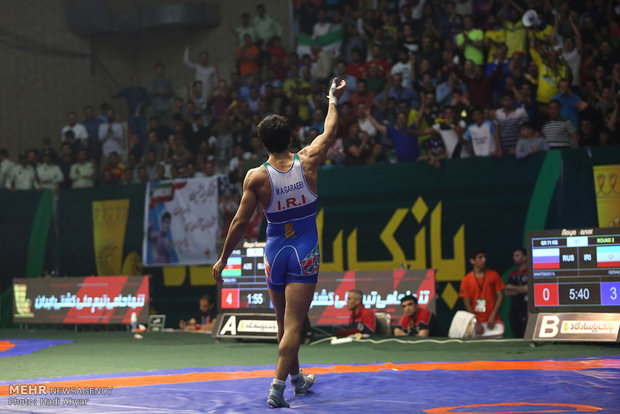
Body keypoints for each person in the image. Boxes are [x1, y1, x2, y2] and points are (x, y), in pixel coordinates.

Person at [212, 77, 346, 408]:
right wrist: (332, 98)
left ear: (263, 143)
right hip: (304, 251)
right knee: (294, 326)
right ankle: (276, 388)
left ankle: (298, 380)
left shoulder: (256, 177)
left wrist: (222, 260)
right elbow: (329, 131)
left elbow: (240, 223)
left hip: (274, 252)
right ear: (290, 138)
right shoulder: (309, 159)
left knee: (281, 323)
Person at [459, 248, 505, 336]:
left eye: (484, 257)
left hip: (493, 321)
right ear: (472, 261)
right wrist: (475, 321)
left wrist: (493, 315)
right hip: (477, 323)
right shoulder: (466, 280)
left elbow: (500, 296)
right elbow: (466, 302)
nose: (484, 260)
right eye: (480, 257)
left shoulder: (493, 275)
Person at [505, 248, 529, 338]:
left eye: (517, 255)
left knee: (526, 335)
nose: (515, 258)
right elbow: (506, 292)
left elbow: (528, 289)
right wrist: (521, 289)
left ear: (525, 257)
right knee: (517, 336)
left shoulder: (529, 272)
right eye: (514, 256)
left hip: (526, 309)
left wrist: (513, 288)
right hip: (514, 310)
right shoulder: (512, 273)